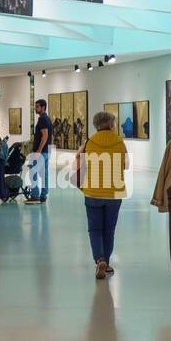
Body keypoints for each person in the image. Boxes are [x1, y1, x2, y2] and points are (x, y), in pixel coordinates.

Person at [76, 109, 128, 279]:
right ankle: (106, 261)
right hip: (114, 193)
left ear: (96, 125)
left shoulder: (89, 141)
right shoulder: (119, 142)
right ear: (111, 124)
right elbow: (126, 165)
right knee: (109, 230)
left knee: (95, 229)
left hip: (92, 192)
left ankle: (99, 260)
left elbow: (78, 161)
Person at [25, 98, 52, 203]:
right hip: (46, 151)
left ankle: (35, 195)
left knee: (33, 172)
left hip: (41, 152)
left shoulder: (43, 119)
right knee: (44, 174)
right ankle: (43, 196)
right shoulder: (47, 118)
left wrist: (38, 152)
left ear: (43, 107)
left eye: (37, 107)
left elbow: (45, 136)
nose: (35, 109)